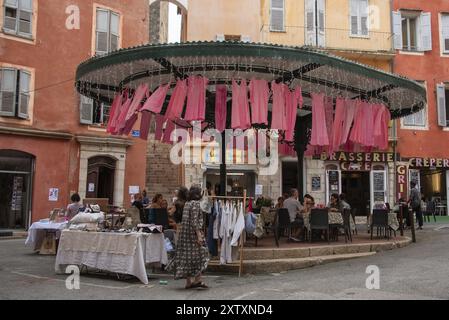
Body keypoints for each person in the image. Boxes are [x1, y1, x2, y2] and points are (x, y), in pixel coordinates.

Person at [167, 185, 209, 289]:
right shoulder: (195, 204)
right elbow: (194, 221)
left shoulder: (187, 203)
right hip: (192, 235)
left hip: (184, 234)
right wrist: (199, 235)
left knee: (187, 257)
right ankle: (198, 280)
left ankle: (189, 282)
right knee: (201, 255)